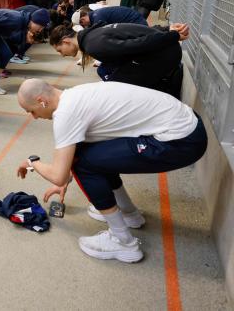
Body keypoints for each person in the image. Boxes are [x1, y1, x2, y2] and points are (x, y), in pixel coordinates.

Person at [16, 79, 207, 262]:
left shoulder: (65, 115)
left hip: (180, 141)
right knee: (91, 154)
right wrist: (65, 180)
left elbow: (59, 175)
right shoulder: (76, 94)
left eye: (31, 111)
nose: (33, 117)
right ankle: (128, 213)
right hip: (189, 125)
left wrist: (32, 162)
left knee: (85, 164)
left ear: (41, 101)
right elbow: (72, 158)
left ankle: (123, 242)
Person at [49, 22, 189, 98]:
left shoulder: (94, 46)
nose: (62, 55)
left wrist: (172, 36)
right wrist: (165, 29)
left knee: (114, 84)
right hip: (164, 51)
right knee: (105, 71)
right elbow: (134, 31)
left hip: (166, 55)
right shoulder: (93, 34)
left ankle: (167, 90)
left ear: (66, 41)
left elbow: (139, 44)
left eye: (60, 50)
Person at [71, 5, 148, 28]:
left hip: (137, 23)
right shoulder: (95, 14)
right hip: (135, 20)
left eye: (82, 24)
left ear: (82, 20)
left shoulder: (98, 18)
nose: (84, 26)